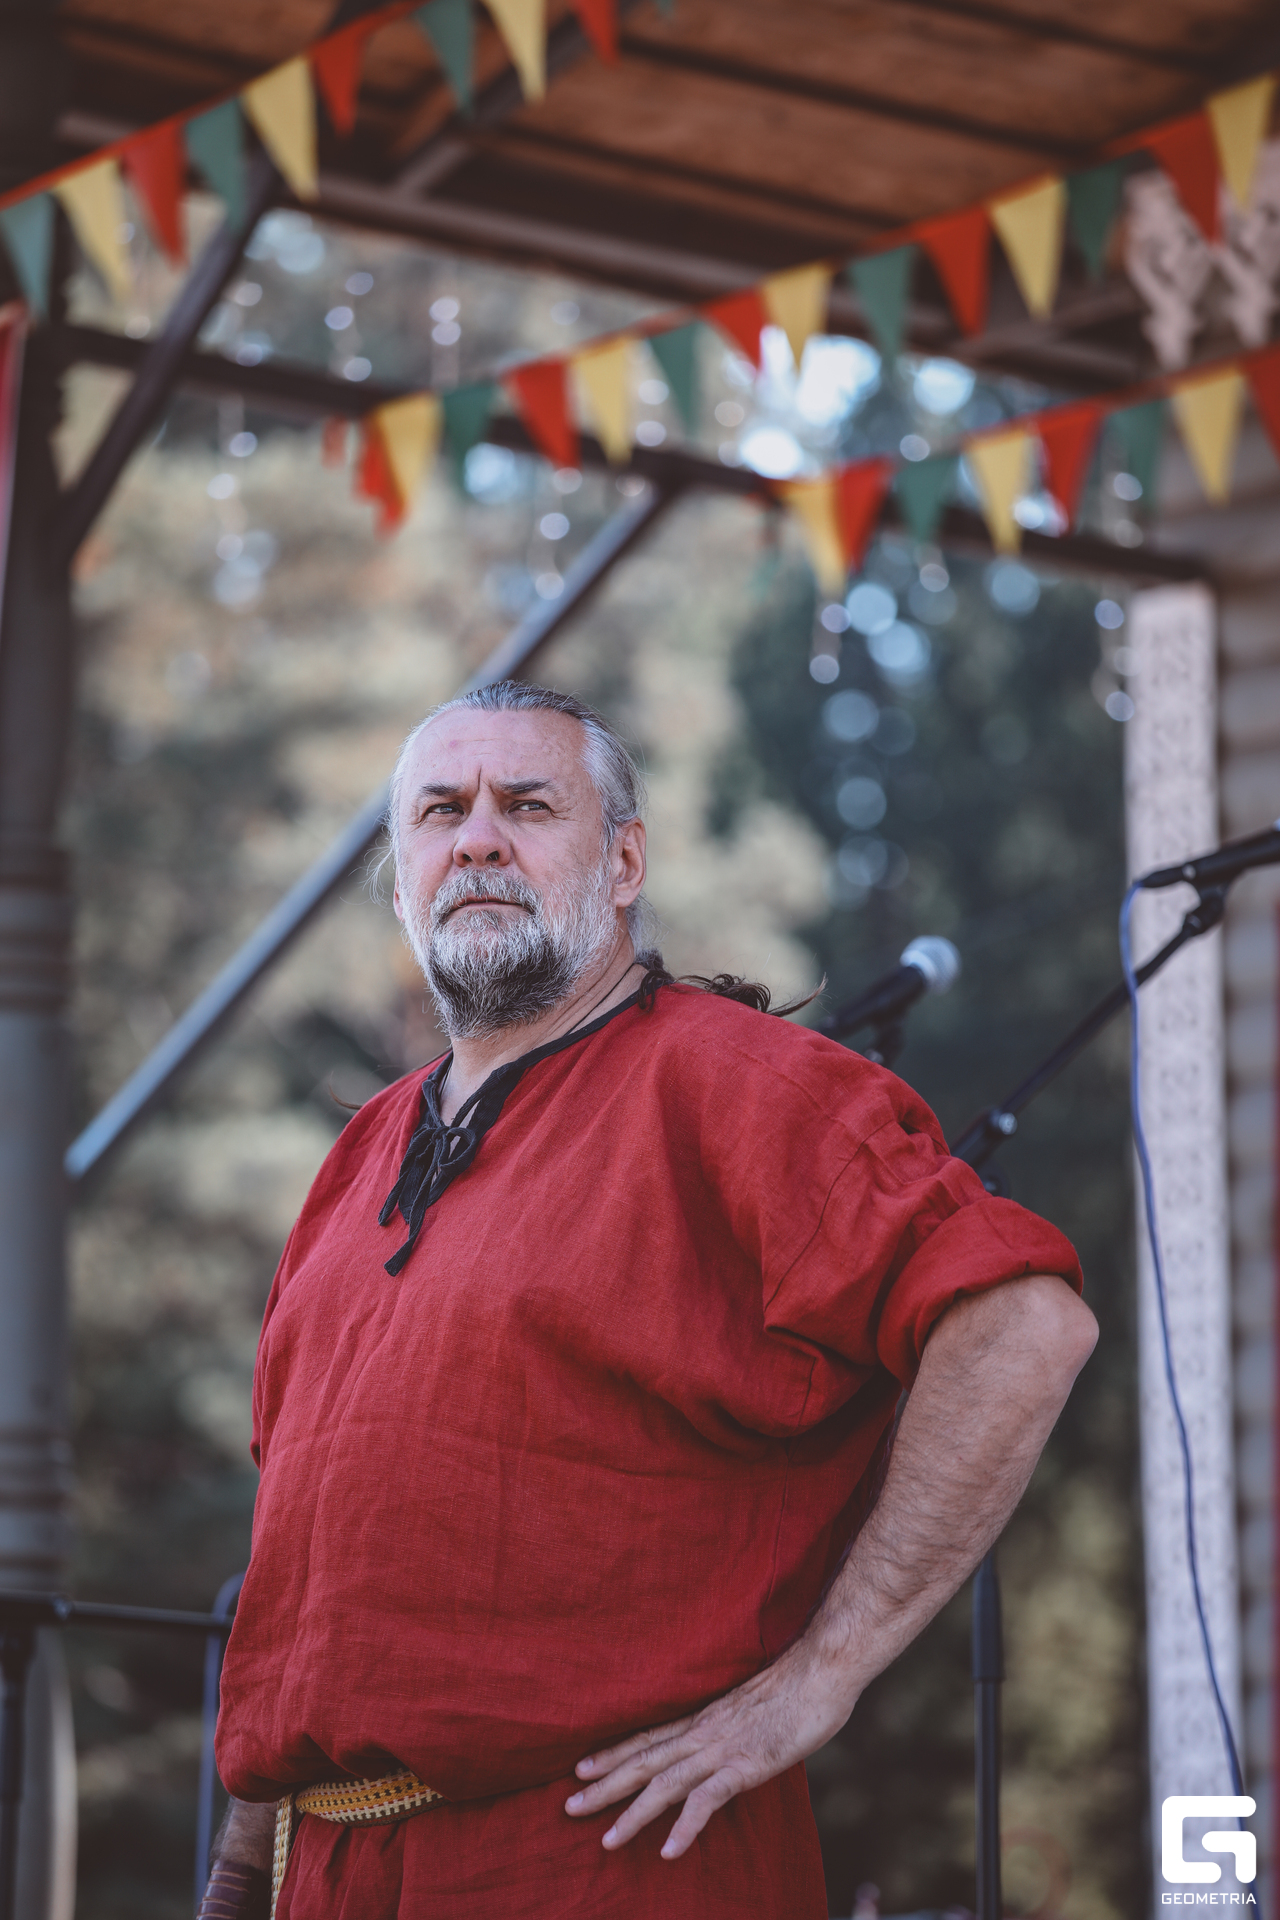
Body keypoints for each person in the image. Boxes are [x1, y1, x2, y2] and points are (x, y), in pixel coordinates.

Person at [202, 681, 1096, 1920]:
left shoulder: (744, 1084)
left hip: (605, 1854)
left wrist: (816, 1682)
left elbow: (1020, 1324)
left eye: (527, 805)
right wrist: (240, 1863)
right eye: (439, 812)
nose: (476, 839)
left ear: (623, 863)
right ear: (400, 881)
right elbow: (302, 1547)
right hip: (324, 1868)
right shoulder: (359, 1153)